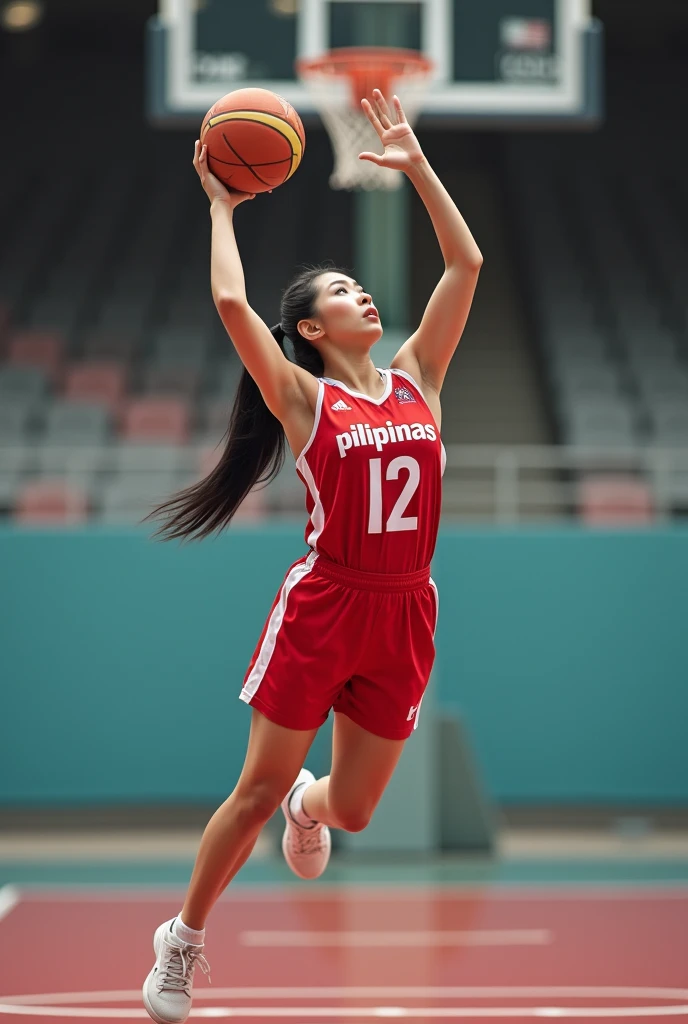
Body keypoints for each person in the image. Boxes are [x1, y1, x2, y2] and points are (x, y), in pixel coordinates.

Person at [142, 89, 482, 1024]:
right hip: (325, 603)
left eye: (357, 285)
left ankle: (311, 807)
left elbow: (466, 261)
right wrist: (222, 203)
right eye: (338, 291)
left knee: (355, 811)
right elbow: (226, 298)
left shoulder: (420, 379)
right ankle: (184, 940)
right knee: (252, 790)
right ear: (312, 333)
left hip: (407, 606)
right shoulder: (304, 400)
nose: (360, 292)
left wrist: (416, 166)